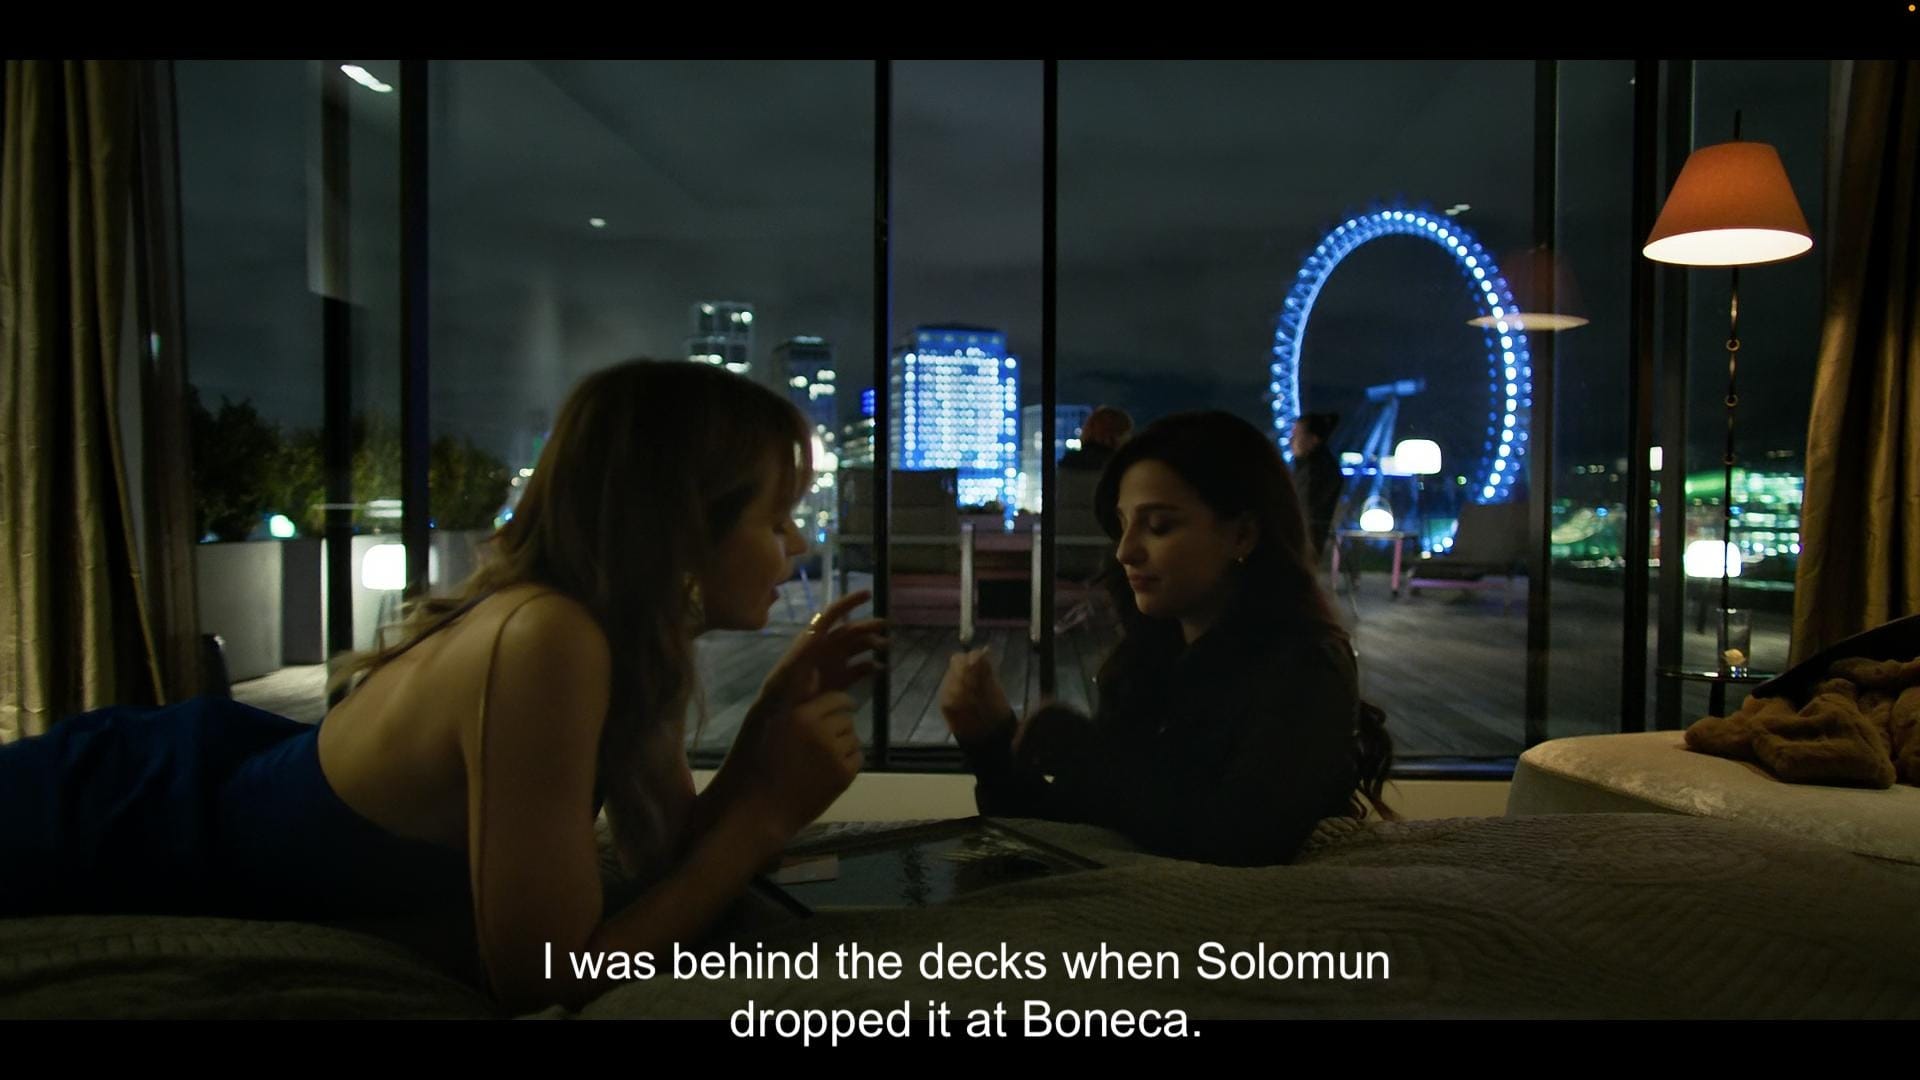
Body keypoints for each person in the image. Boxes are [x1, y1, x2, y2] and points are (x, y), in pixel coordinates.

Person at [0, 359, 887, 1013]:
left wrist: (764, 737)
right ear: (685, 524)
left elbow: (666, 864)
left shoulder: (621, 639)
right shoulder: (546, 638)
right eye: (778, 517)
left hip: (207, 776)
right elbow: (549, 980)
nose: (800, 544)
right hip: (114, 812)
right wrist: (766, 816)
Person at [939, 410, 1393, 867]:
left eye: (1158, 526)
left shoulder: (1306, 668)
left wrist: (1085, 753)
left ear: (1242, 534)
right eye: (1122, 525)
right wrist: (990, 742)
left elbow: (1239, 842)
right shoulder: (1150, 663)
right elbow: (1073, 832)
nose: (1125, 551)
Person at [1289, 411, 1344, 561]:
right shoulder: (1311, 469)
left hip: (1302, 548)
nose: (1291, 440)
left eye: (1296, 435)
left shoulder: (1316, 473)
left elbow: (1305, 509)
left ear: (1313, 439)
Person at [1057, 406, 1133, 472]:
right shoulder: (1121, 466)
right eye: (1126, 433)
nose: (1129, 437)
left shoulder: (1068, 462)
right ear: (1117, 435)